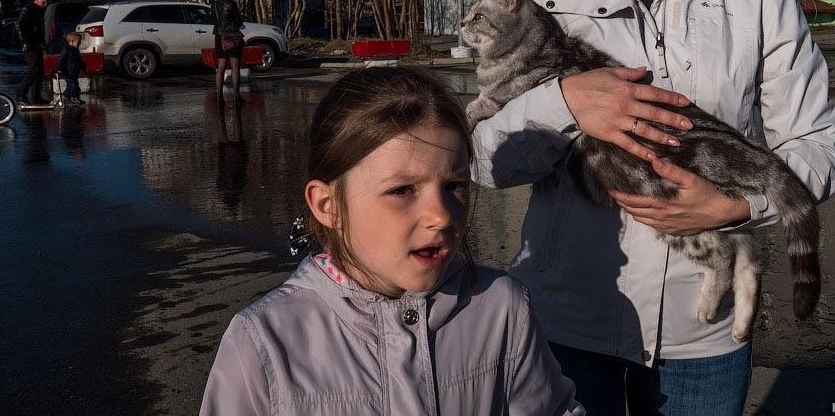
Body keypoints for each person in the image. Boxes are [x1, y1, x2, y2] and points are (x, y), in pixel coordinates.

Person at [470, 0, 835, 414]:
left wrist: (735, 207)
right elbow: (484, 160)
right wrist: (564, 103)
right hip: (567, 326)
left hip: (703, 335)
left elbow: (815, 145)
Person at [200, 68, 582, 415]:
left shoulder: (502, 310)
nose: (441, 215)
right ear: (327, 204)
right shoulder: (265, 342)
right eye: (402, 190)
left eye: (454, 186)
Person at [211, 0, 244, 110]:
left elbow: (213, 20)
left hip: (219, 37)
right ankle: (236, 95)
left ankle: (219, 96)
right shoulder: (232, 4)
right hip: (232, 37)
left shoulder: (213, 4)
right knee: (235, 66)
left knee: (221, 67)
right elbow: (238, 21)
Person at [15, 0, 49, 107]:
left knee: (40, 70)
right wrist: (24, 40)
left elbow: (39, 28)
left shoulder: (38, 10)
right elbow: (19, 24)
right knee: (34, 69)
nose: (45, 5)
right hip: (29, 43)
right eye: (43, 2)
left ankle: (36, 96)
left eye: (46, 3)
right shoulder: (28, 9)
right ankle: (21, 93)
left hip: (36, 42)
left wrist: (42, 42)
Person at [56, 32, 85, 106]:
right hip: (68, 72)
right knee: (72, 85)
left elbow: (79, 60)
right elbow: (61, 59)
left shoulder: (76, 51)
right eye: (78, 42)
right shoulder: (66, 50)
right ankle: (72, 98)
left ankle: (68, 97)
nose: (80, 43)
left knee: (75, 86)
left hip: (74, 71)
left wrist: (83, 66)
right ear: (72, 42)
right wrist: (59, 68)